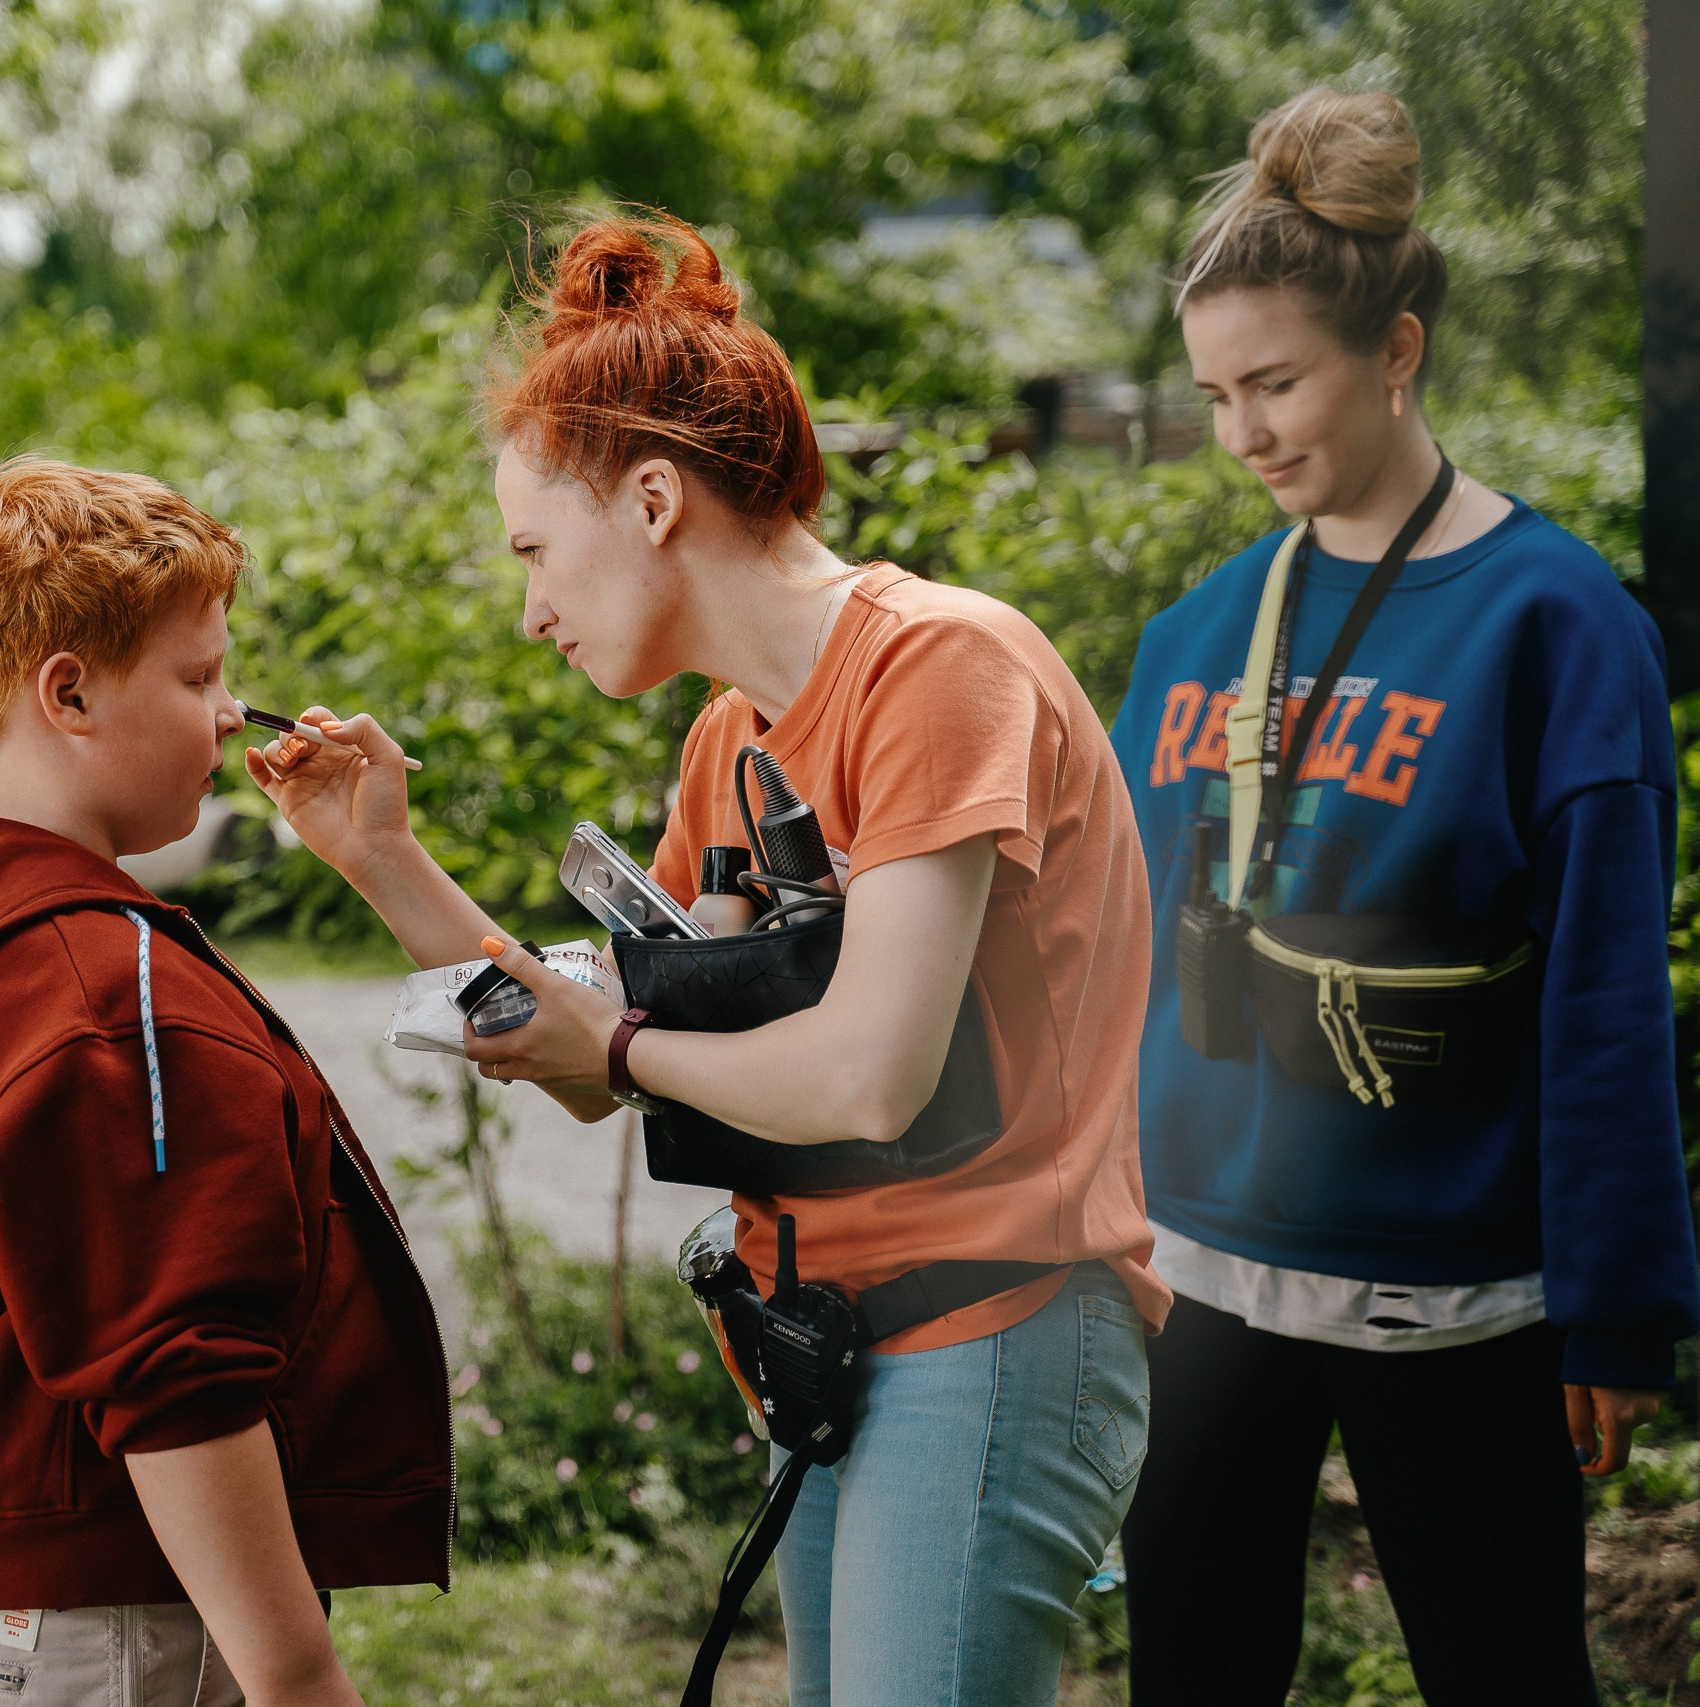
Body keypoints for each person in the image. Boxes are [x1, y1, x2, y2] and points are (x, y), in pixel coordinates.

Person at [246, 213, 1167, 1707]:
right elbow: (601, 1049)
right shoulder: (730, 739)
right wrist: (381, 859)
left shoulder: (940, 666)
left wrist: (606, 1046)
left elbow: (869, 1075)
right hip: (835, 1351)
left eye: (537, 551)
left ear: (657, 499)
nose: (531, 605)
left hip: (996, 1322)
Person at [1108, 88, 1700, 1706]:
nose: (1245, 431)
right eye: (1217, 392)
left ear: (1398, 351)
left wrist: (1618, 1306)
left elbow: (1601, 996)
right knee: (1192, 1668)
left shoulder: (1559, 625)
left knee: (1505, 1669)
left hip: (1457, 1295)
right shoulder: (1194, 637)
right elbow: (1114, 949)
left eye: (1277, 382)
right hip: (1207, 1270)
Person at [0, 459, 453, 1707]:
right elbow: (174, 1370)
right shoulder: (109, 993)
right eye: (198, 678)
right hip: (98, 1617)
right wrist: (298, 1676)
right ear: (68, 693)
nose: (235, 715)